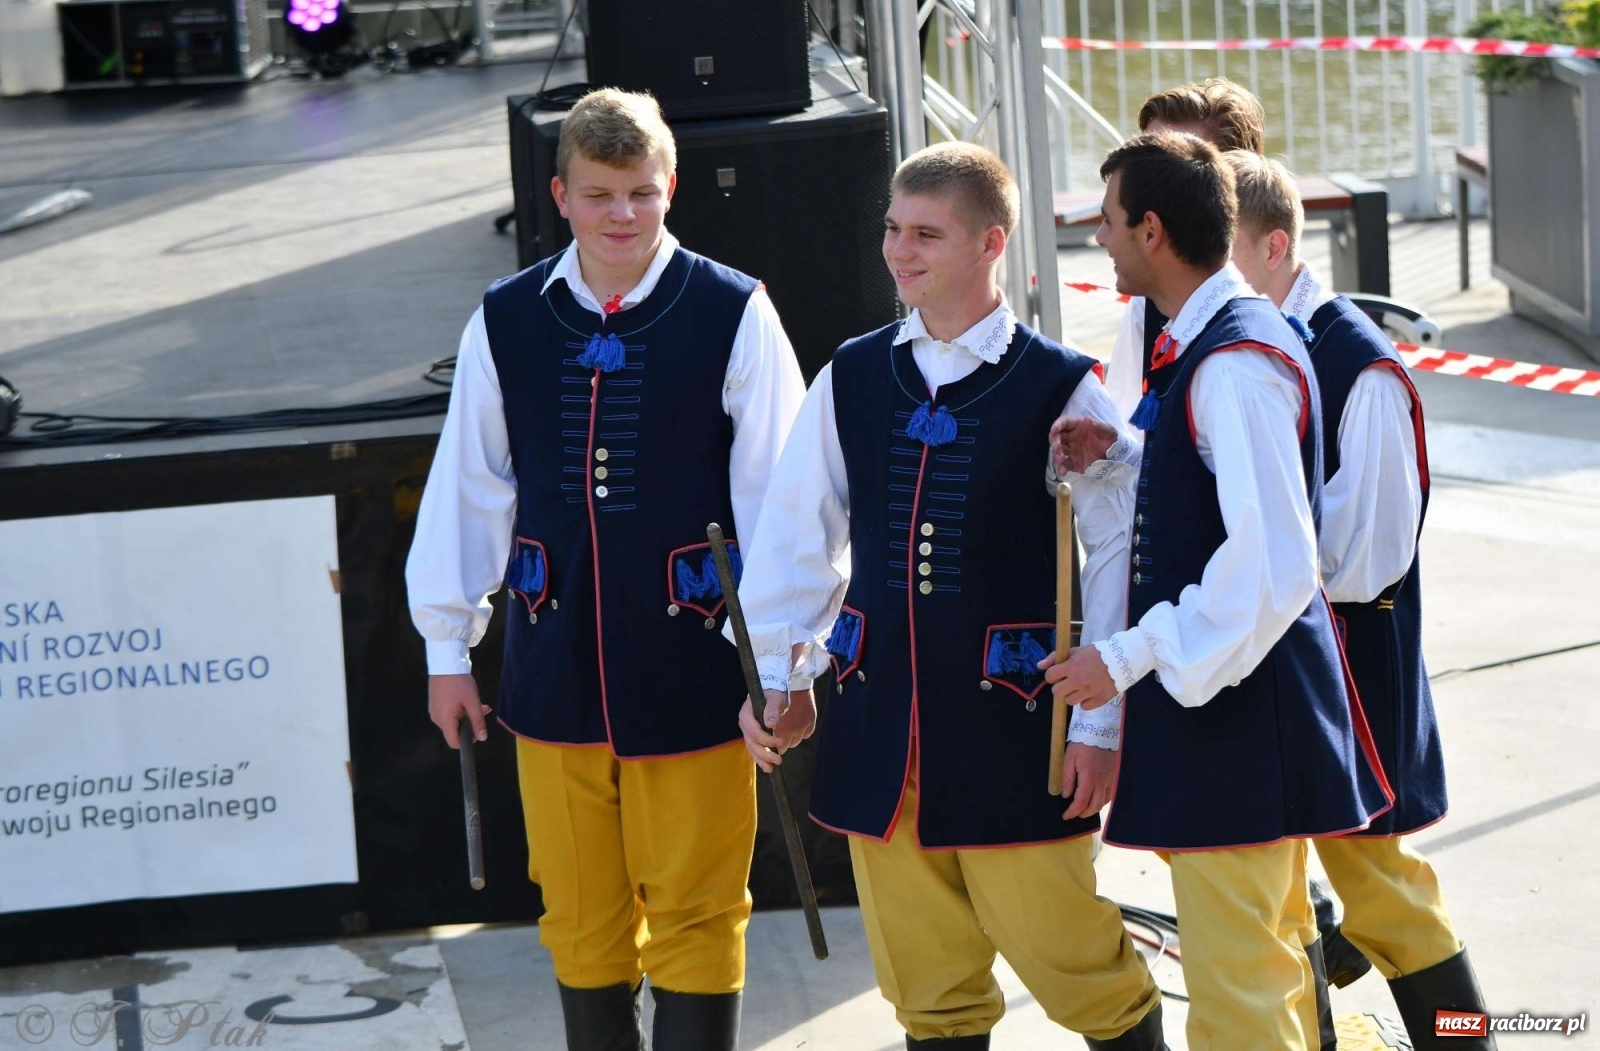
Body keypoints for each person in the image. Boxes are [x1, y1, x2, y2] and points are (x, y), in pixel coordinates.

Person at [734, 142, 1168, 1050]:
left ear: (990, 243)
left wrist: (1099, 724)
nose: (900, 251)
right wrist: (781, 675)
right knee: (928, 991)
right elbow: (796, 536)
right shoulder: (853, 372)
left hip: (1015, 729)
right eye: (894, 229)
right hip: (879, 726)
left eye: (927, 234)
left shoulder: (1059, 381)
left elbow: (1118, 552)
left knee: (1080, 968)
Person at [405, 87, 805, 1051]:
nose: (622, 214)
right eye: (598, 194)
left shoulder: (733, 310)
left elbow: (784, 504)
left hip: (694, 670)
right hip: (552, 673)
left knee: (701, 911)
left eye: (640, 192)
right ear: (561, 196)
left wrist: (786, 662)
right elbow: (470, 487)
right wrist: (448, 650)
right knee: (578, 912)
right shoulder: (505, 317)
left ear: (671, 186)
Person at [1045, 131, 1393, 1050]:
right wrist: (1127, 455)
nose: (1099, 239)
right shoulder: (1213, 343)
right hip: (1239, 713)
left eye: (1109, 222)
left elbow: (1274, 560)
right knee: (1264, 966)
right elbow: (1217, 495)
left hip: (1241, 722)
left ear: (1153, 232)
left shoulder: (1233, 361)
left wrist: (1125, 656)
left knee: (1240, 990)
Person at [1224, 149, 1495, 1049]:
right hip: (1285, 665)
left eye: (1216, 245)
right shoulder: (1240, 342)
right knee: (1282, 892)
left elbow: (1370, 557)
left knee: (1386, 895)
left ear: (1272, 248)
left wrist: (1249, 569)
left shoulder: (1359, 365)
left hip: (1351, 676)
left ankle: (1466, 1042)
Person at [1100, 78, 1268, 426]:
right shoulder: (1146, 305)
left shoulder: (1284, 328)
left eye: (1175, 164)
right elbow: (1123, 428)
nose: (1148, 186)